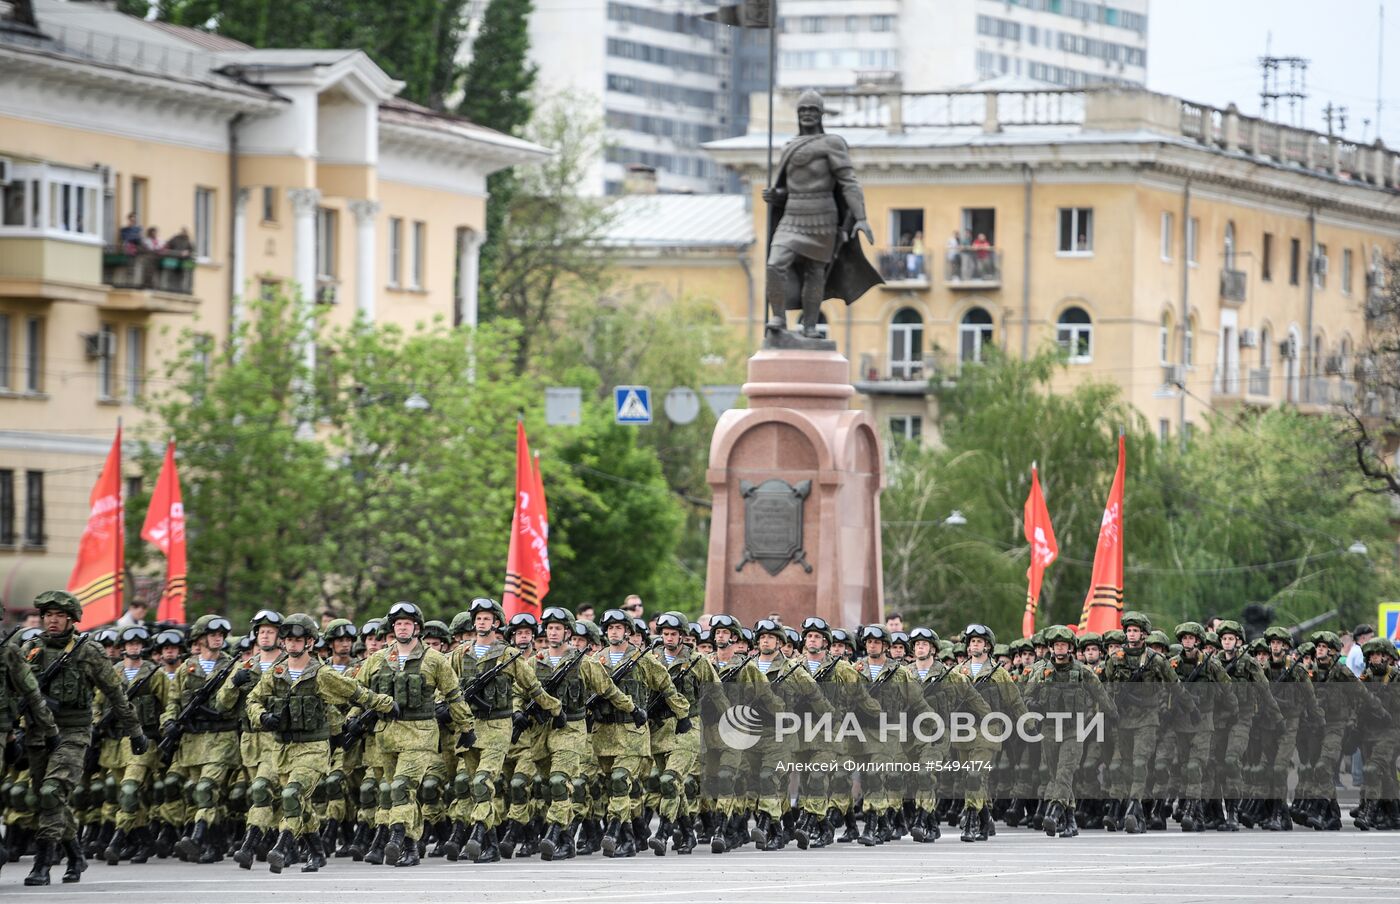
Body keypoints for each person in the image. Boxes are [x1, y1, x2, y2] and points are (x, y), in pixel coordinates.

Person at [243, 614, 394, 873]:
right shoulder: (276, 672)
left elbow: (355, 692)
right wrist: (262, 716)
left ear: (310, 642)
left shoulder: (321, 674)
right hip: (281, 749)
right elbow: (252, 700)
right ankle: (316, 850)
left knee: (292, 795)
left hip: (313, 748)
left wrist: (386, 703)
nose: (292, 645)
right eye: (288, 640)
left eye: (297, 640)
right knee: (298, 803)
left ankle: (281, 846)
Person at [21, 590, 147, 886]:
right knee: (47, 799)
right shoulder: (30, 648)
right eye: (48, 615)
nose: (52, 621)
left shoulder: (88, 651)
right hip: (38, 734)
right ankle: (75, 854)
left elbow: (116, 694)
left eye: (59, 616)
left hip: (73, 732)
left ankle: (43, 863)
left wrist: (135, 731)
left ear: (72, 619)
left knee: (52, 792)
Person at [356, 601, 473, 867]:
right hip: (387, 734)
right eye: (398, 624)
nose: (403, 628)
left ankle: (396, 838)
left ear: (417, 628)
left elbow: (454, 695)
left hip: (420, 734)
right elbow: (358, 690)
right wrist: (353, 718)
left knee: (401, 787)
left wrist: (466, 727)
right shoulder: (378, 659)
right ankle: (411, 847)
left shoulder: (433, 659)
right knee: (397, 792)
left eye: (407, 623)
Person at [761, 89, 876, 339]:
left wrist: (861, 218)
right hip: (792, 215)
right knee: (774, 264)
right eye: (803, 110)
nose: (807, 115)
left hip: (822, 216)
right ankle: (778, 319)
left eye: (812, 110)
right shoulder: (789, 146)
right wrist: (777, 196)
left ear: (821, 114)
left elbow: (848, 182)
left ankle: (810, 327)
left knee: (815, 273)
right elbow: (789, 186)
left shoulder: (832, 143)